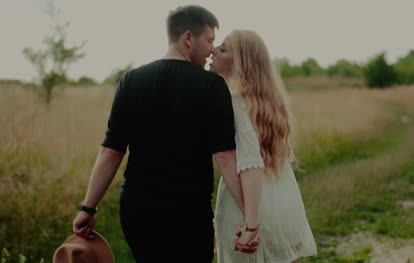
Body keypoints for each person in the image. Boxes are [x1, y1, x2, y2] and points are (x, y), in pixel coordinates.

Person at [72, 6, 259, 262]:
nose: (212, 50)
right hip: (188, 212)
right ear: (189, 38)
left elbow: (111, 151)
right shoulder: (211, 85)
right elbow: (225, 156)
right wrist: (250, 219)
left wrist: (88, 208)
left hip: (138, 210)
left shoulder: (130, 80)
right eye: (210, 40)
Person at [210, 30, 318, 263]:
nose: (213, 50)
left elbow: (249, 162)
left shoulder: (236, 102)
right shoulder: (267, 103)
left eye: (223, 48)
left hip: (250, 205)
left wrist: (251, 223)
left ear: (241, 63)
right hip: (282, 200)